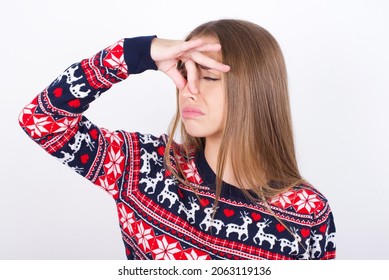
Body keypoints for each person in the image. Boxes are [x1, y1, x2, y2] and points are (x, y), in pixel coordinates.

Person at [19, 19, 336, 260]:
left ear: (255, 90)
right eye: (184, 73)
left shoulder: (308, 214)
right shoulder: (142, 168)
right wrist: (137, 53)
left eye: (208, 77)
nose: (189, 88)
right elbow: (41, 120)